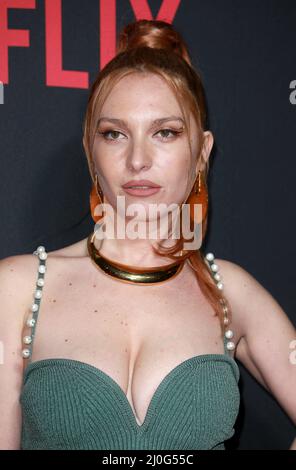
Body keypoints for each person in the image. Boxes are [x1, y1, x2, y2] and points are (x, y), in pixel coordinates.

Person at [0, 19, 295, 451]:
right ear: (90, 149)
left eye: (166, 132)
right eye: (114, 134)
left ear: (202, 152)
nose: (138, 159)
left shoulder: (231, 292)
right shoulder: (19, 288)